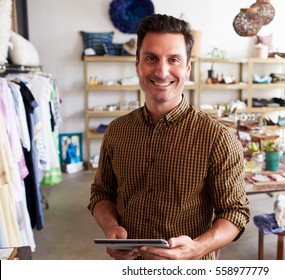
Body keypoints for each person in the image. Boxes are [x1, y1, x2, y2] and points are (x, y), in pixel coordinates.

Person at [88, 14, 250, 260]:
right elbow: (102, 193)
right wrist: (111, 228)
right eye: (151, 58)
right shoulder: (117, 131)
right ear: (137, 65)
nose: (162, 71)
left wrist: (198, 247)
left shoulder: (217, 138)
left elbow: (235, 212)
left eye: (173, 59)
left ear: (187, 68)